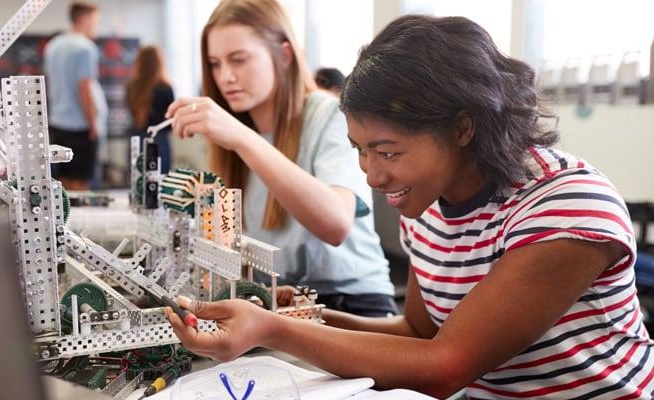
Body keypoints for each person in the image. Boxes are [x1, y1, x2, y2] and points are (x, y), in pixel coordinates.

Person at [166, 15, 654, 399]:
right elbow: (418, 332)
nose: (372, 176)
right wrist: (308, 319)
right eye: (359, 149)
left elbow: (444, 367)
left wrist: (272, 330)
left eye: (388, 151)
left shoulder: (564, 206)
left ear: (463, 128)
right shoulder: (430, 207)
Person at [165, 0, 397, 317]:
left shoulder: (330, 114)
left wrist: (243, 139)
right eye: (215, 64)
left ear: (284, 55)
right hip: (278, 304)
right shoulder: (233, 138)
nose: (225, 77)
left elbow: (336, 225)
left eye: (239, 60)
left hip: (351, 305)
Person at [44, 2, 107, 190]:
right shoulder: (85, 48)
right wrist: (93, 123)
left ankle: (65, 219)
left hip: (58, 123)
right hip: (80, 127)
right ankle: (78, 220)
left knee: (63, 181)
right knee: (80, 184)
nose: (97, 25)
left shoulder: (53, 46)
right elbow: (84, 88)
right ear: (84, 19)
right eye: (96, 20)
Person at [126, 46, 174, 173]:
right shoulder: (165, 88)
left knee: (137, 183)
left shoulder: (132, 87)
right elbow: (171, 120)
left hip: (137, 139)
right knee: (159, 183)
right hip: (159, 140)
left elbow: (131, 113)